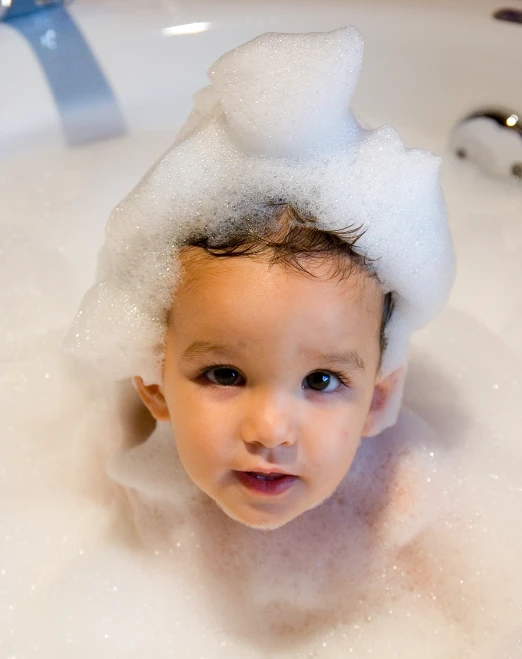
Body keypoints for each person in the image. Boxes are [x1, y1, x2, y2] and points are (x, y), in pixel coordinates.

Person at [66, 26, 455, 531]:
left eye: (322, 380)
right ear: (153, 384)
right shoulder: (115, 467)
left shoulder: (404, 512)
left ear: (377, 400)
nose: (270, 431)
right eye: (225, 374)